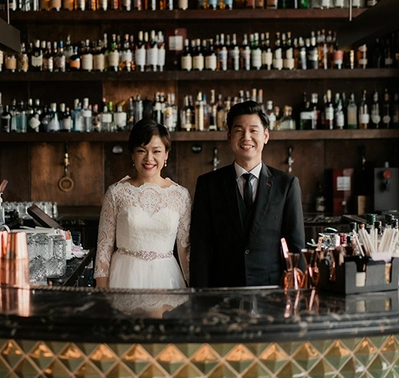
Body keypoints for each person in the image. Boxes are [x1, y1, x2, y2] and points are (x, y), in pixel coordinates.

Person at [190, 100, 305, 287]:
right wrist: (200, 296)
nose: (246, 137)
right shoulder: (208, 184)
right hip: (222, 291)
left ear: (266, 136)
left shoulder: (287, 185)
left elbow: (296, 246)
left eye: (253, 130)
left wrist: (297, 293)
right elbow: (201, 248)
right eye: (238, 130)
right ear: (228, 136)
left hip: (271, 291)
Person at [95, 119, 191, 289]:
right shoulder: (116, 192)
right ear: (132, 154)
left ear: (166, 154)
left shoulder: (181, 195)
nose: (149, 158)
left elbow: (184, 249)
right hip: (124, 276)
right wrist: (102, 291)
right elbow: (104, 246)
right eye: (141, 151)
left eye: (156, 151)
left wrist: (193, 288)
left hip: (166, 278)